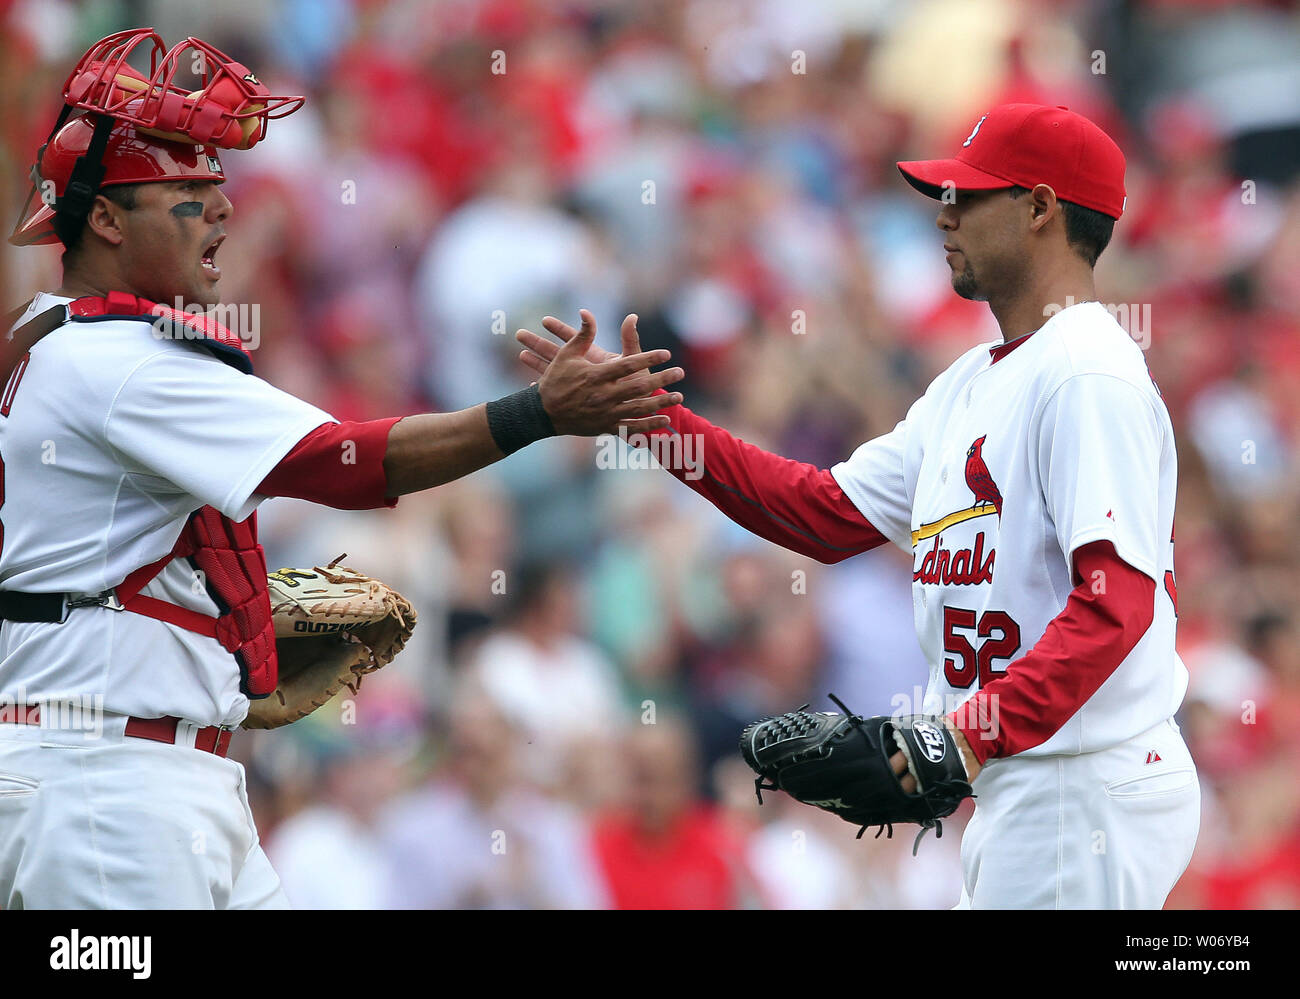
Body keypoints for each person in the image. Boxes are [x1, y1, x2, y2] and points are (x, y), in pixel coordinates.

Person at [0, 29, 681, 909]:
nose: (221, 208)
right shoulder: (123, 358)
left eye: (218, 185)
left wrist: (218, 628)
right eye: (187, 189)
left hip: (137, 765)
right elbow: (349, 462)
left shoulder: (57, 339)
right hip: (109, 786)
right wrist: (539, 413)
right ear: (103, 218)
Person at [518, 103, 1200, 909]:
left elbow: (1116, 605)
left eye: (969, 196)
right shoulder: (971, 381)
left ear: (1042, 209)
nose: (943, 213)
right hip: (1030, 783)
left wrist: (959, 738)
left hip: (1082, 781)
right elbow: (822, 512)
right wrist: (651, 419)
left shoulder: (1087, 371)